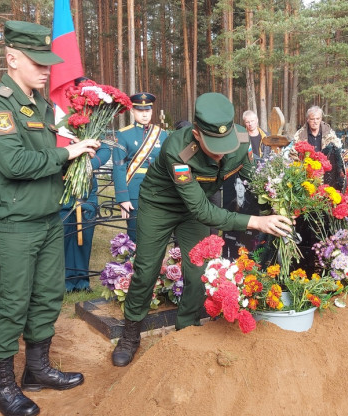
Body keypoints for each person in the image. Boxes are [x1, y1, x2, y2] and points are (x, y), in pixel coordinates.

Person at [111, 92, 294, 367]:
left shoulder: (242, 140)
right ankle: (130, 332)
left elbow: (254, 179)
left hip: (194, 210)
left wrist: (277, 201)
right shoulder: (178, 149)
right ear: (196, 134)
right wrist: (256, 222)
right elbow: (202, 210)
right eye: (213, 144)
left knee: (198, 271)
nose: (221, 152)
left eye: (225, 142)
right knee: (146, 269)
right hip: (160, 206)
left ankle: (187, 329)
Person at [0, 20, 99, 416]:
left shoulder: (41, 105)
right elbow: (13, 162)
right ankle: (2, 386)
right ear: (11, 58)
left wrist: (74, 162)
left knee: (48, 296)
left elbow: (43, 163)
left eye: (49, 63)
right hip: (14, 221)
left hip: (46, 215)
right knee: (13, 301)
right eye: (38, 62)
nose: (47, 70)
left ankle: (36, 370)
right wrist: (68, 154)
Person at [60, 77, 111, 292]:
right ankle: (62, 281)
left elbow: (107, 149)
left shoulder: (97, 120)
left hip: (87, 188)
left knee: (85, 236)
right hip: (63, 188)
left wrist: (86, 165)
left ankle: (81, 281)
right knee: (62, 237)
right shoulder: (60, 118)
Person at [112, 92, 168, 243]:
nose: (144, 114)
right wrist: (123, 198)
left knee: (156, 236)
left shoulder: (162, 135)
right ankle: (133, 266)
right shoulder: (123, 135)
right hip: (134, 193)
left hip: (158, 192)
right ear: (132, 111)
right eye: (140, 110)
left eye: (147, 110)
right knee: (135, 235)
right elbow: (119, 168)